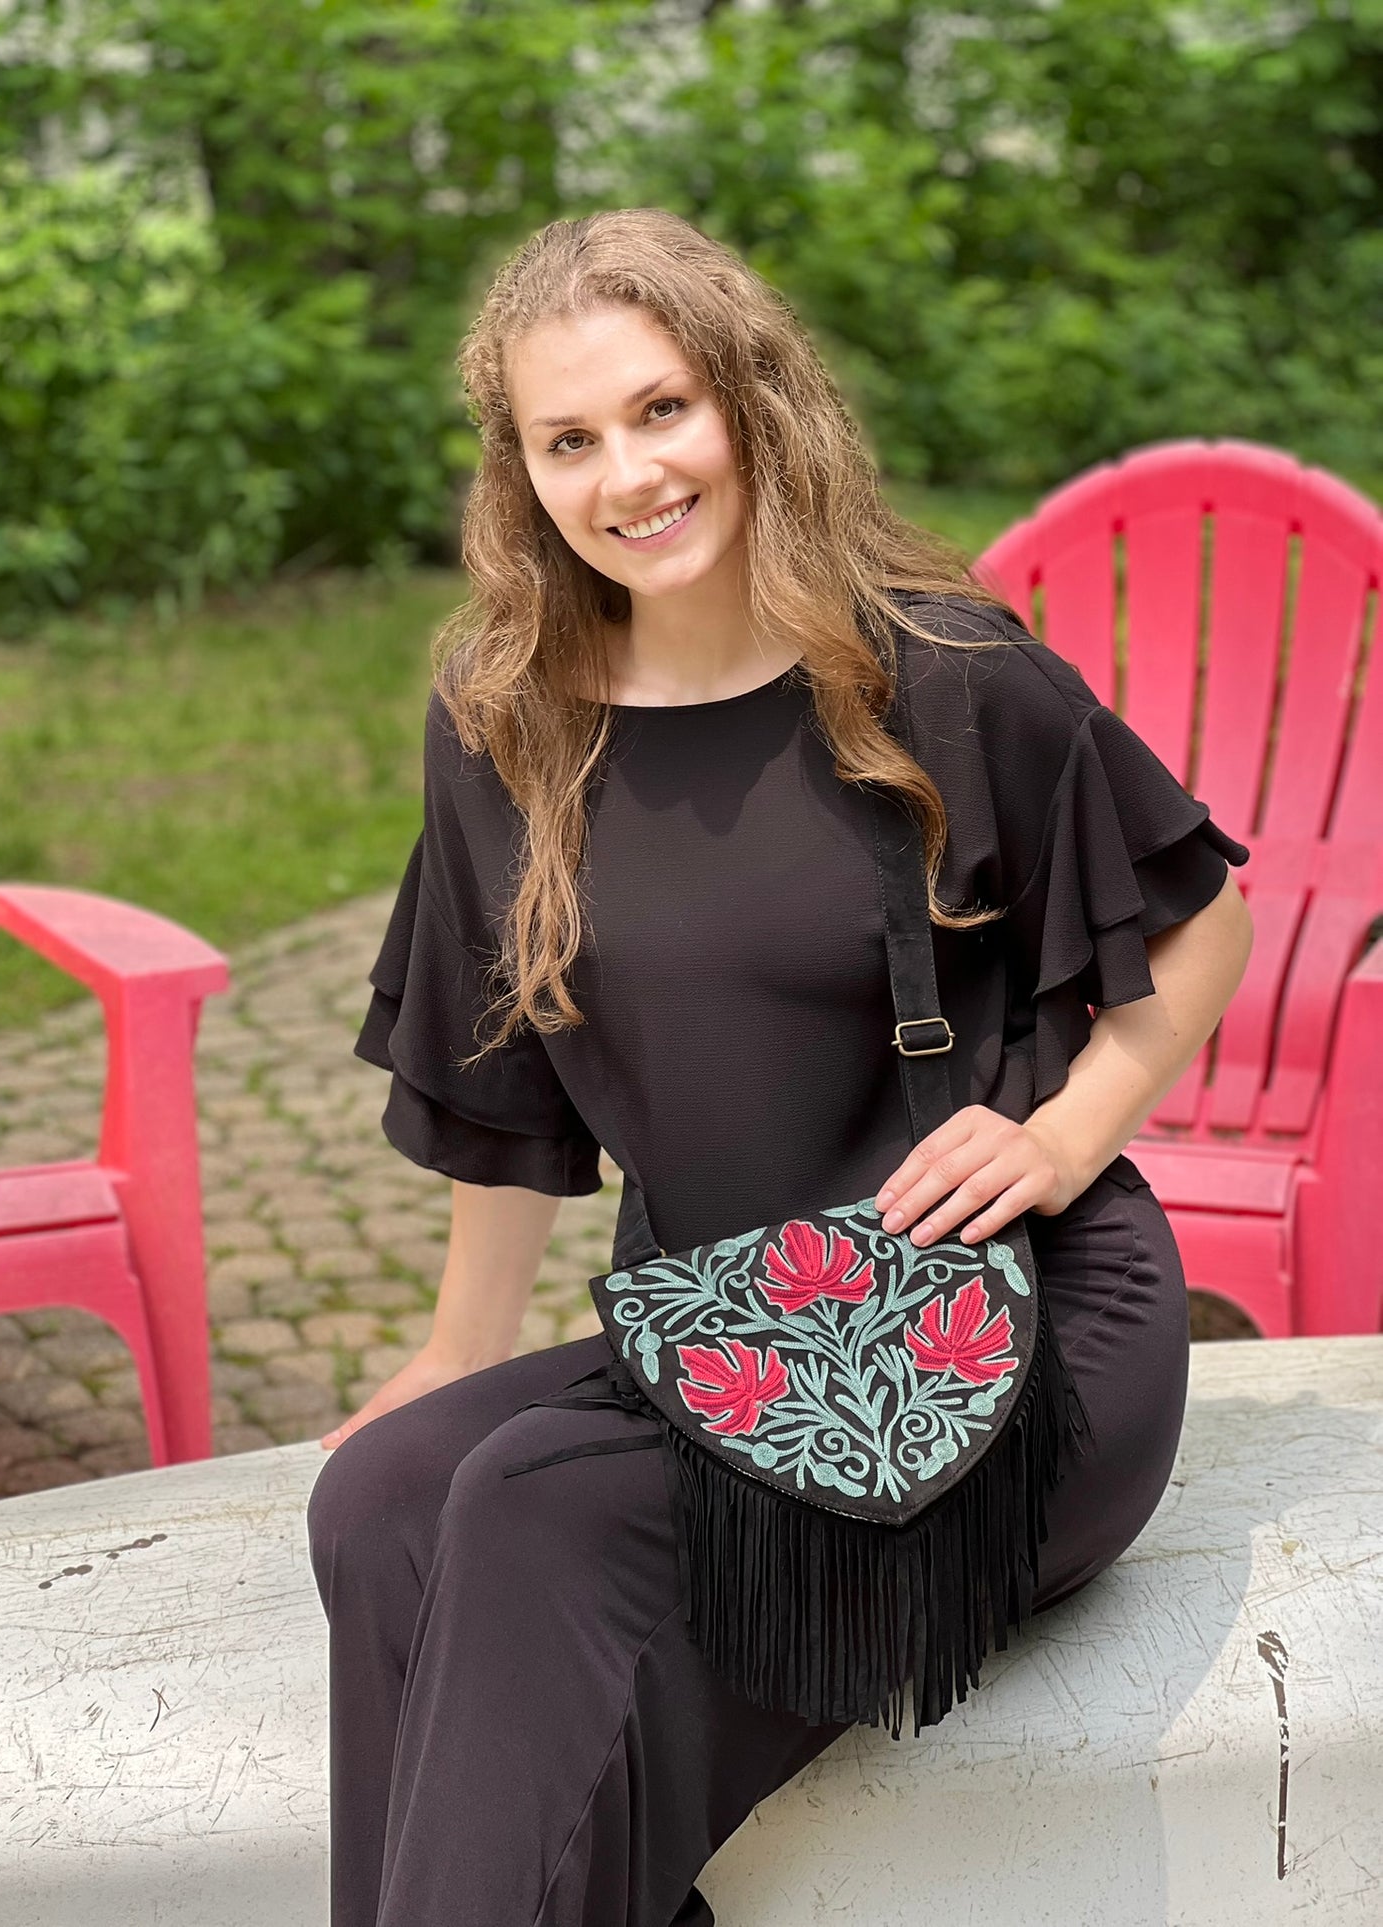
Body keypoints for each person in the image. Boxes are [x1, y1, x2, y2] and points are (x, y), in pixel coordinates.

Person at [305, 207, 1254, 1927]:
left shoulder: (937, 675)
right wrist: (448, 1358)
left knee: (528, 1509)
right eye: (568, 439)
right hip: (725, 1334)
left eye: (661, 410)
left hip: (1004, 1343)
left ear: (749, 400)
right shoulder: (507, 723)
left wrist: (1066, 1132)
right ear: (519, 473)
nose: (628, 474)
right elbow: (498, 1084)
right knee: (384, 1494)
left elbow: (1197, 920)